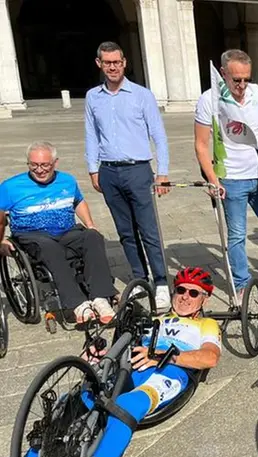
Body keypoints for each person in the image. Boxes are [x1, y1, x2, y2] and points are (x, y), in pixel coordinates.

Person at [22, 267, 221, 457]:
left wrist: (164, 356)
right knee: (79, 397)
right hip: (133, 365)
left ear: (205, 298)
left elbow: (210, 357)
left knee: (127, 404)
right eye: (181, 290)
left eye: (193, 293)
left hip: (170, 371)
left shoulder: (207, 324)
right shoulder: (154, 320)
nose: (185, 297)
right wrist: (101, 356)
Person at [194, 49, 258, 292]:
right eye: (236, 79)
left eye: (246, 79)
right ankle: (241, 283)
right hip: (231, 179)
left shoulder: (257, 94)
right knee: (237, 234)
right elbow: (200, 144)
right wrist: (212, 180)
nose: (242, 85)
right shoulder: (209, 100)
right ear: (223, 74)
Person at [84, 41, 171, 309]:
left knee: (149, 230)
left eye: (117, 62)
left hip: (138, 170)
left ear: (124, 63)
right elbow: (91, 134)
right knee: (125, 232)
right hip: (109, 171)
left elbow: (158, 134)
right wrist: (93, 168)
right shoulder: (92, 97)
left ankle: (161, 282)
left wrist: (163, 172)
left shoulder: (142, 95)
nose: (113, 67)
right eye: (107, 62)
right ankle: (139, 278)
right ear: (99, 64)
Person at [0, 142, 117, 325]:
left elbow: (78, 201)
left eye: (44, 165)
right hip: (31, 235)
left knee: (93, 237)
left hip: (66, 232)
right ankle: (78, 303)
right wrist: (1, 241)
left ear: (55, 163)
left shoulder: (67, 180)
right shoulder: (10, 186)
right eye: (34, 165)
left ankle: (100, 297)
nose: (39, 170)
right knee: (49, 247)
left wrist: (90, 224)